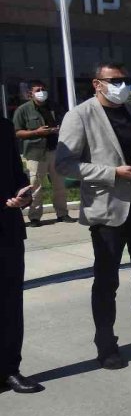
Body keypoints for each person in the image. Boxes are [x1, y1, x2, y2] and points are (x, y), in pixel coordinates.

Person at [56, 61, 131, 369]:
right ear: (97, 83)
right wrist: (112, 173)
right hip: (109, 210)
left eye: (126, 79)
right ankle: (106, 343)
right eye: (115, 80)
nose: (122, 85)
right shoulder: (80, 115)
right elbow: (65, 165)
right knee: (107, 280)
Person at [1, 116, 41, 393]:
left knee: (9, 304)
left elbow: (15, 171)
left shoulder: (3, 127)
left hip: (7, 228)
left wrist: (22, 194)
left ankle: (9, 370)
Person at [12, 80, 71, 226]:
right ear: (30, 93)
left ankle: (62, 214)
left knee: (59, 185)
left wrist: (58, 129)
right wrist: (36, 132)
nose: (41, 92)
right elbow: (17, 132)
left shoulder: (54, 106)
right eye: (38, 90)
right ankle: (35, 217)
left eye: (43, 89)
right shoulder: (23, 110)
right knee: (35, 186)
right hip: (35, 153)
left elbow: (64, 122)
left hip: (55, 150)